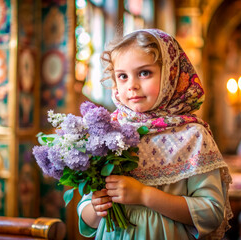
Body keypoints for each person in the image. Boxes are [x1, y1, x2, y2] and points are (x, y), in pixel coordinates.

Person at [77, 29, 232, 240]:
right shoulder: (108, 131)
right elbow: (86, 214)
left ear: (171, 74)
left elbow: (212, 213)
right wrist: (97, 207)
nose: (131, 85)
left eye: (144, 73)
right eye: (122, 76)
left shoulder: (193, 135)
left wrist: (144, 195)